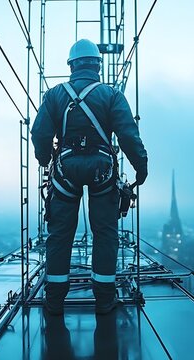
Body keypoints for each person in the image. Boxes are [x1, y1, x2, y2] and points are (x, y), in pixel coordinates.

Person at [31, 38, 148, 315]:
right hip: (102, 169)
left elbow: (39, 134)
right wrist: (140, 168)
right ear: (98, 64)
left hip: (66, 168)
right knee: (105, 234)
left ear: (71, 65)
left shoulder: (55, 95)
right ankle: (105, 300)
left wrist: (45, 160)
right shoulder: (111, 95)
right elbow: (129, 136)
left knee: (60, 235)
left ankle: (55, 300)